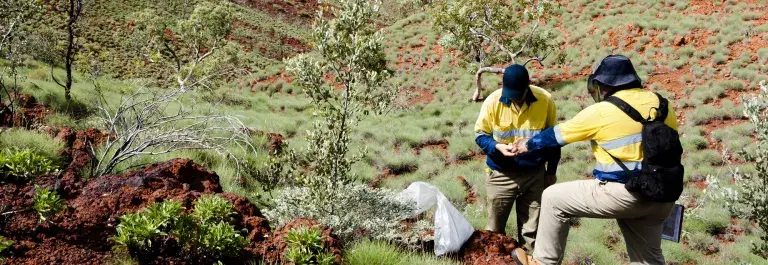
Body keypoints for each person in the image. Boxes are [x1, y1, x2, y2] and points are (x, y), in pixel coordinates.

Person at [509, 55, 679, 265]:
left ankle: (542, 262)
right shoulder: (663, 104)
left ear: (602, 85)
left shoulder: (603, 111)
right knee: (648, 260)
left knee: (553, 197)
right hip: (662, 195)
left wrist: (526, 144)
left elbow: (557, 135)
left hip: (624, 195)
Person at [473, 64, 561, 251]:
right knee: (494, 233)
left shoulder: (545, 100)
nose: (513, 99)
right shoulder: (493, 101)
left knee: (532, 233)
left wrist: (551, 172)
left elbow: (554, 139)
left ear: (527, 86)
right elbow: (480, 136)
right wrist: (497, 147)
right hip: (500, 174)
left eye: (517, 95)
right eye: (509, 94)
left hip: (534, 175)